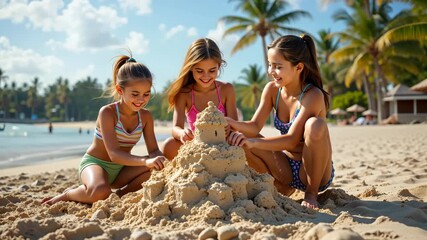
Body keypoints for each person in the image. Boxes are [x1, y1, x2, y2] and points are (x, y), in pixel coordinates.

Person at [226, 34, 334, 209]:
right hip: (286, 169)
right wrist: (230, 122)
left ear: (298, 67)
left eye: (277, 67)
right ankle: (276, 188)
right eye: (270, 65)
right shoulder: (272, 90)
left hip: (315, 172)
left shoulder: (313, 95)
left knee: (315, 125)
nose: (271, 71)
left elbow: (291, 139)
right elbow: (254, 126)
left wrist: (253, 142)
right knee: (238, 135)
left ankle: (311, 193)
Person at [42, 54, 166, 205]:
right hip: (96, 164)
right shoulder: (107, 113)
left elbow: (154, 150)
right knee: (100, 191)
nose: (141, 99)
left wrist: (160, 160)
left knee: (157, 170)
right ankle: (68, 195)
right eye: (135, 94)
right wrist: (145, 161)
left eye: (146, 94)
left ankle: (119, 196)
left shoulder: (145, 117)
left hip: (121, 170)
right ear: (120, 90)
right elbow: (114, 154)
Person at [160, 38, 238, 160]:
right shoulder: (184, 93)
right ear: (191, 68)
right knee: (168, 145)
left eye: (212, 70)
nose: (206, 76)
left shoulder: (226, 89)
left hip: (222, 144)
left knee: (246, 140)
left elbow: (235, 125)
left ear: (219, 66)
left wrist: (229, 128)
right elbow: (175, 128)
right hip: (196, 146)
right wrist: (182, 133)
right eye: (199, 71)